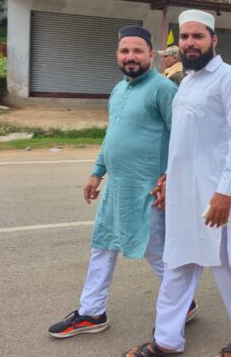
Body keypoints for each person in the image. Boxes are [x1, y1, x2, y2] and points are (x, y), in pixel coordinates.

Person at [124, 10, 231, 357]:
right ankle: (168, 340)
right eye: (184, 36)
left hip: (216, 192)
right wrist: (169, 179)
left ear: (214, 40)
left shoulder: (230, 78)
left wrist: (225, 192)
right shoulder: (186, 81)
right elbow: (182, 141)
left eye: (197, 36)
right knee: (178, 261)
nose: (189, 43)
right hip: (184, 192)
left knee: (226, 265)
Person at [48, 26, 183, 338]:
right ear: (117, 55)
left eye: (137, 51)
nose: (130, 56)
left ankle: (182, 304)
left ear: (152, 55)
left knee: (155, 252)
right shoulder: (119, 89)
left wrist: (170, 179)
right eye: (125, 51)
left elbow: (183, 138)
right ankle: (91, 312)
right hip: (117, 186)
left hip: (148, 190)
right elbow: (113, 134)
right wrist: (97, 172)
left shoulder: (164, 89)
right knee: (103, 244)